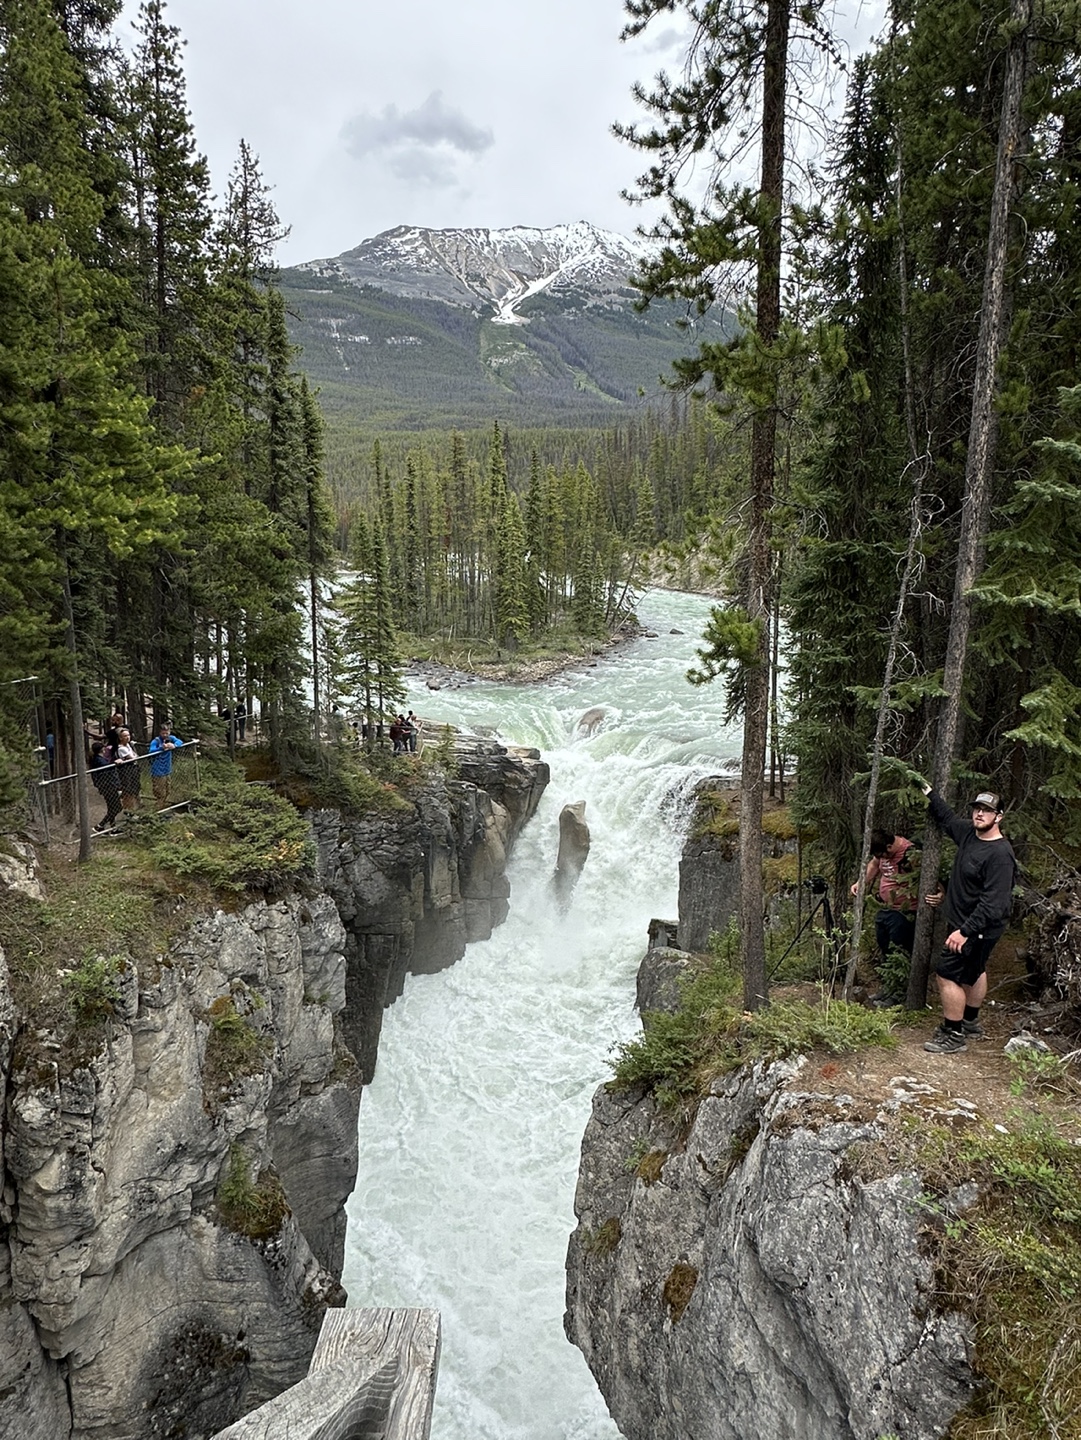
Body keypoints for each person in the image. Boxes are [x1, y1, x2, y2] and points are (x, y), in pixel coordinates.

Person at [920, 786, 1016, 1055]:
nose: (980, 814)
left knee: (946, 974)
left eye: (987, 810)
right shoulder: (969, 834)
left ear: (998, 817)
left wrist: (965, 931)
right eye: (977, 809)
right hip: (967, 923)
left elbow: (994, 904)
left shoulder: (1000, 856)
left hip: (978, 927)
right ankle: (970, 1022)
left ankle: (953, 1034)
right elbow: (947, 818)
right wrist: (929, 793)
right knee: (976, 969)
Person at [850, 828, 918, 1003]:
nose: (880, 858)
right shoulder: (881, 852)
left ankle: (898, 994)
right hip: (885, 907)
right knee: (885, 948)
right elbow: (874, 864)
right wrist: (861, 882)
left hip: (904, 910)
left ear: (889, 846)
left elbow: (923, 878)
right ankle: (887, 987)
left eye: (881, 854)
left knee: (899, 951)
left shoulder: (909, 853)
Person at [147, 722, 183, 807]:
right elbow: (151, 750)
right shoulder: (156, 741)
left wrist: (174, 745)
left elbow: (179, 741)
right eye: (163, 733)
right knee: (160, 791)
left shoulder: (171, 738)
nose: (165, 735)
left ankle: (163, 805)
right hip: (158, 770)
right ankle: (158, 808)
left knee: (168, 789)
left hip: (167, 769)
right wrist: (161, 748)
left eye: (167, 733)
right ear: (160, 733)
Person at [89, 741, 122, 830]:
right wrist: (115, 763)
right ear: (102, 749)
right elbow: (107, 767)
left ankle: (113, 827)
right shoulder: (98, 760)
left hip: (108, 785)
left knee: (112, 807)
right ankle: (100, 825)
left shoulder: (99, 758)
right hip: (108, 786)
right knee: (117, 807)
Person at [114, 728, 141, 811]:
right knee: (128, 789)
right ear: (120, 738)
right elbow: (132, 758)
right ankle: (129, 808)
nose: (127, 737)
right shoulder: (121, 748)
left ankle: (137, 805)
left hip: (134, 769)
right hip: (127, 771)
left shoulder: (128, 745)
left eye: (128, 735)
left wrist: (134, 756)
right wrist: (134, 757)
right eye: (125, 736)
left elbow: (136, 755)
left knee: (135, 787)